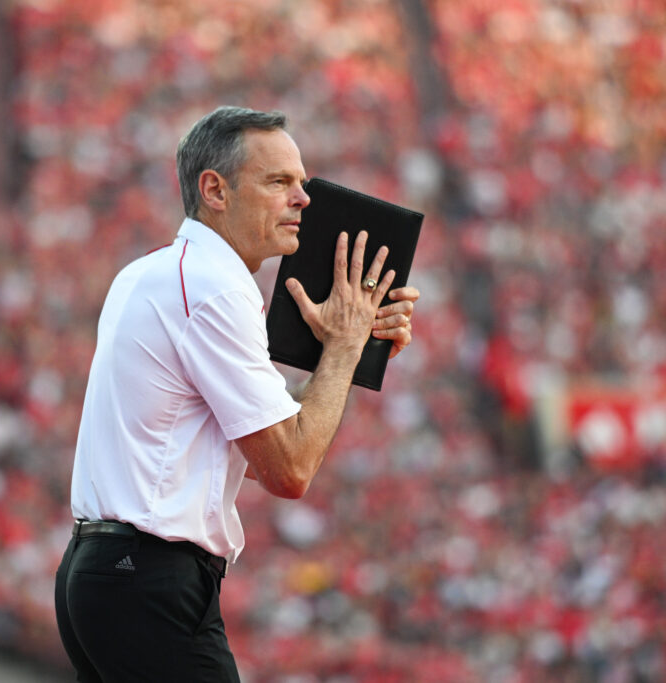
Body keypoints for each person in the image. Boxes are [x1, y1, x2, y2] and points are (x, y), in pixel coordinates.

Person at [53, 106, 420, 682]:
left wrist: (343, 358)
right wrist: (345, 347)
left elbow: (249, 442)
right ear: (215, 190)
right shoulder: (215, 287)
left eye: (302, 182)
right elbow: (287, 469)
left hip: (109, 573)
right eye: (280, 182)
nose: (304, 198)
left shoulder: (158, 271)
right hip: (148, 580)